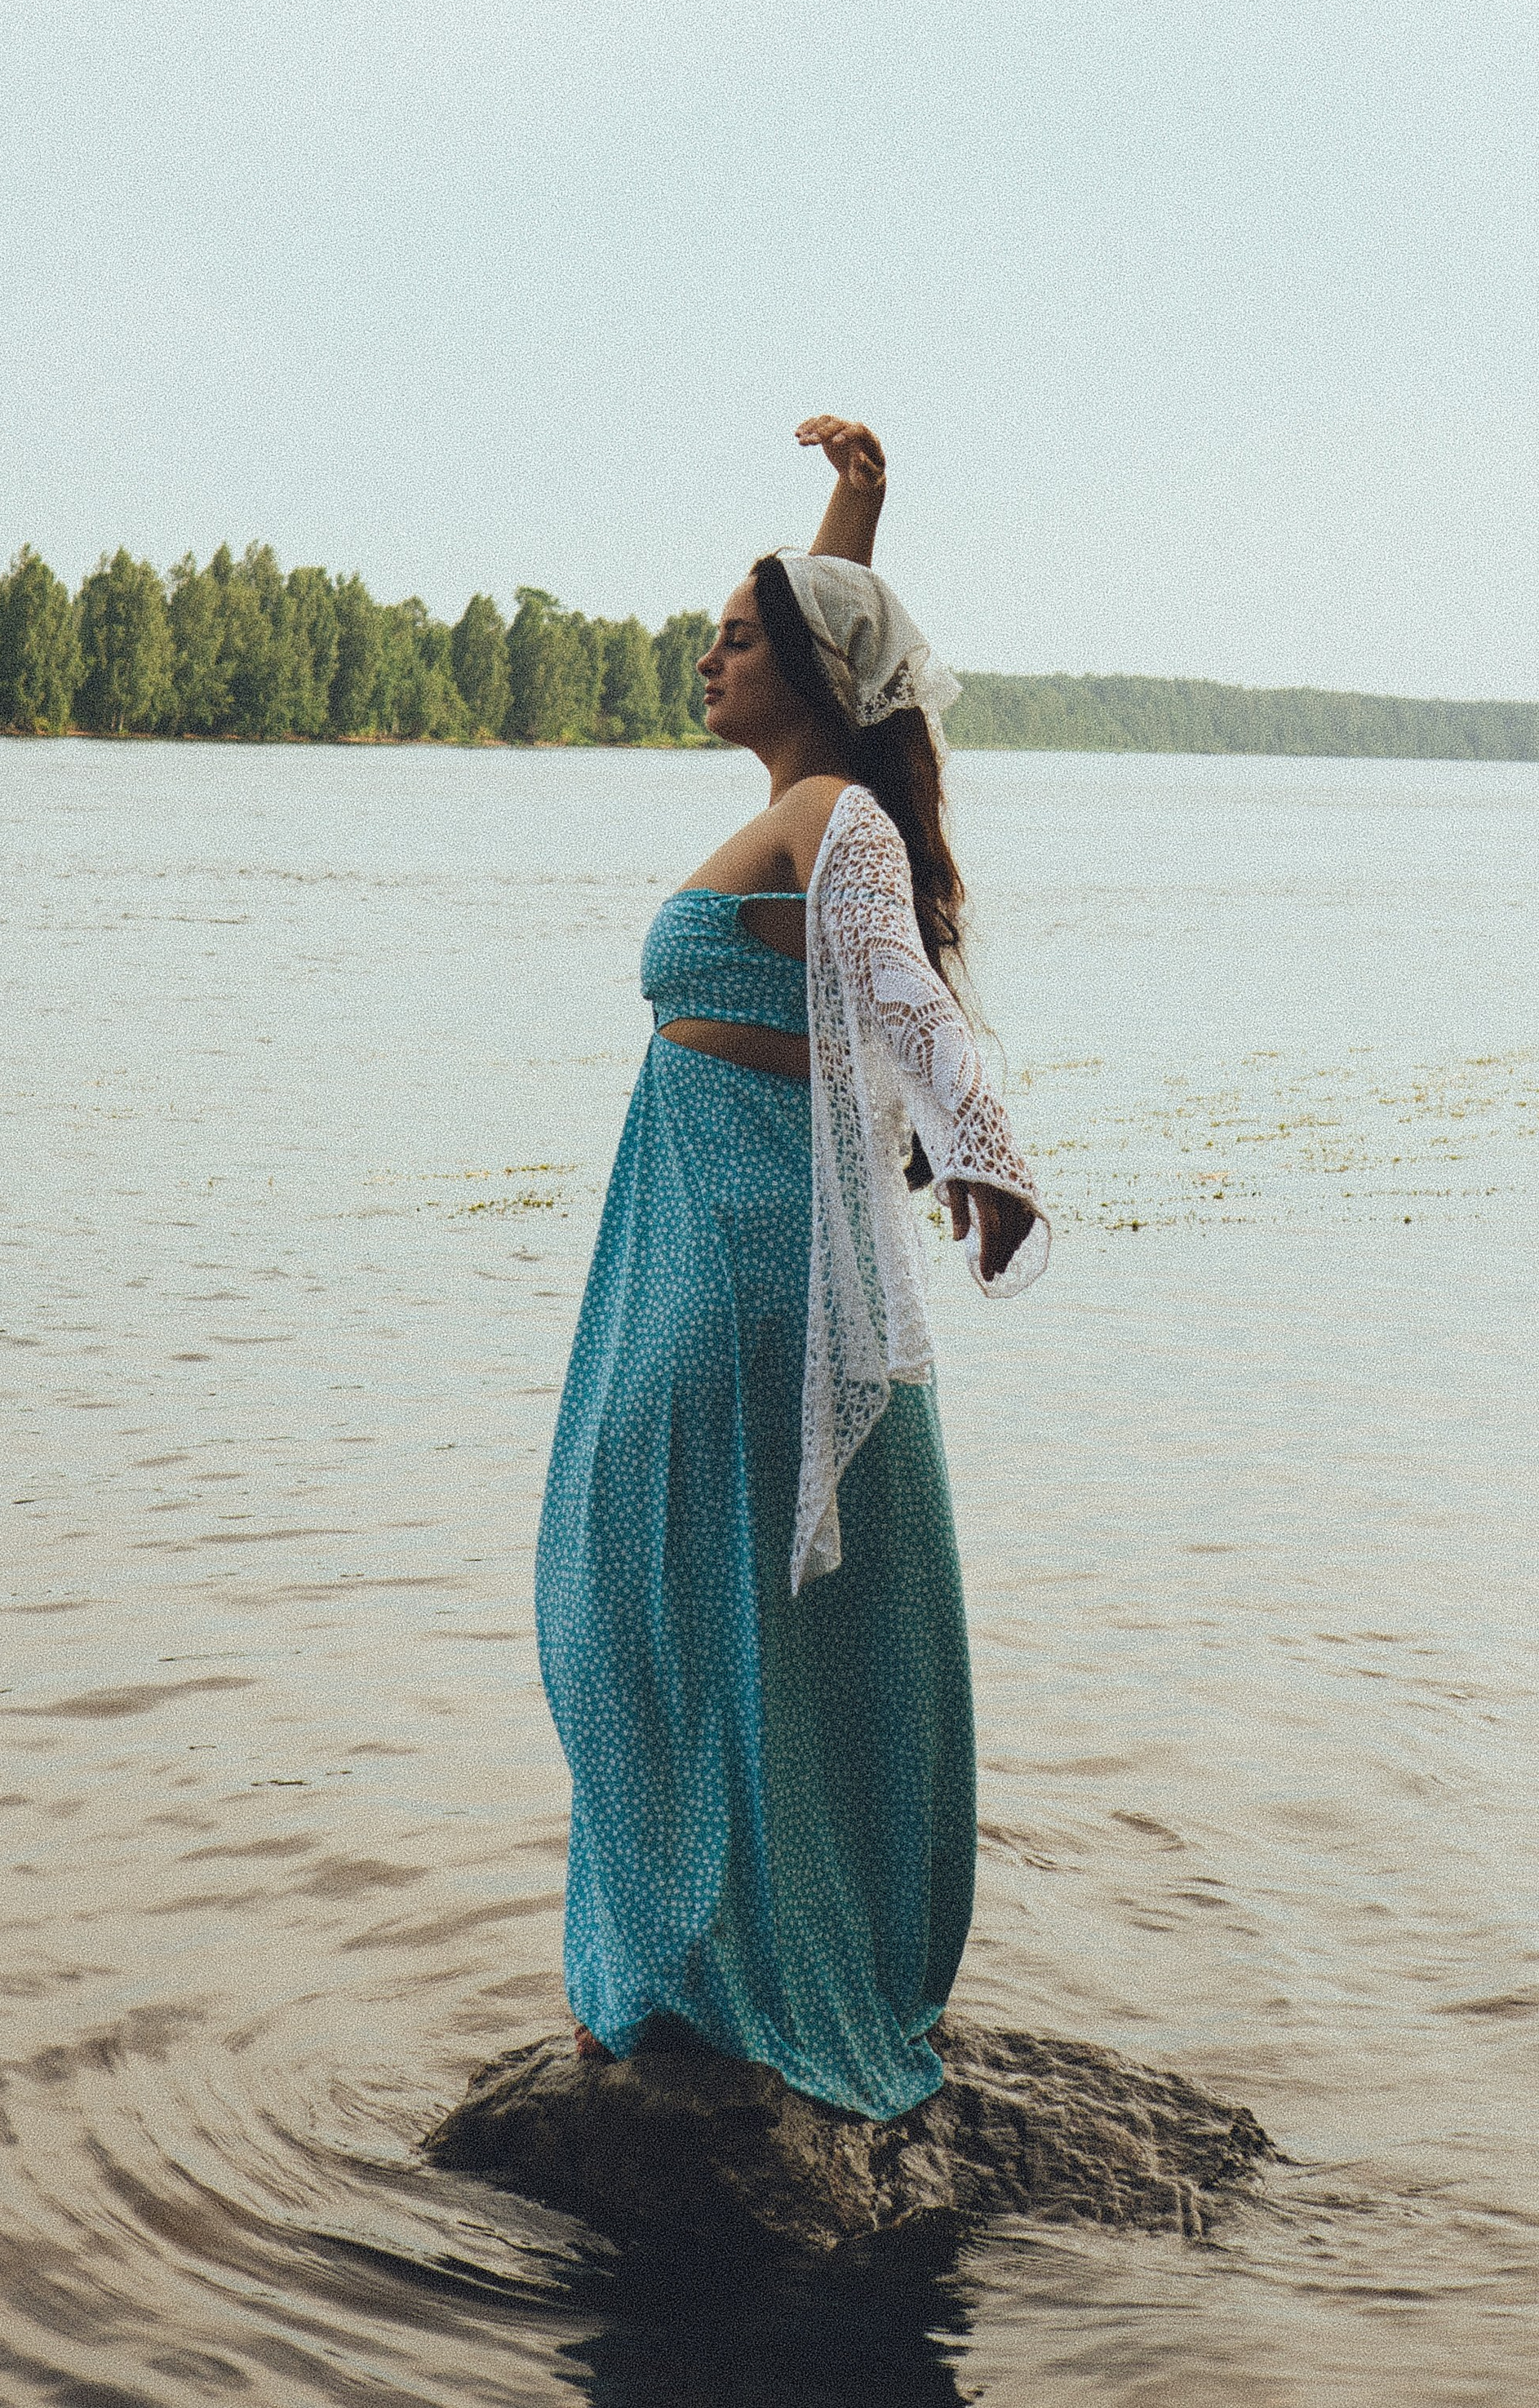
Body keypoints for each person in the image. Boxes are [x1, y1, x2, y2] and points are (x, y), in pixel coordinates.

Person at [534, 415, 1049, 2121]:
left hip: (742, 1277)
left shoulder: (829, 814)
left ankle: (696, 1971)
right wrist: (860, 506)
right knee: (708, 1616)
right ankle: (699, 1960)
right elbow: (827, 629)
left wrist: (985, 1156)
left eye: (735, 638)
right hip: (704, 1252)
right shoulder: (810, 802)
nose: (703, 654)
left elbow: (904, 999)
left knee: (641, 1599)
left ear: (810, 678)